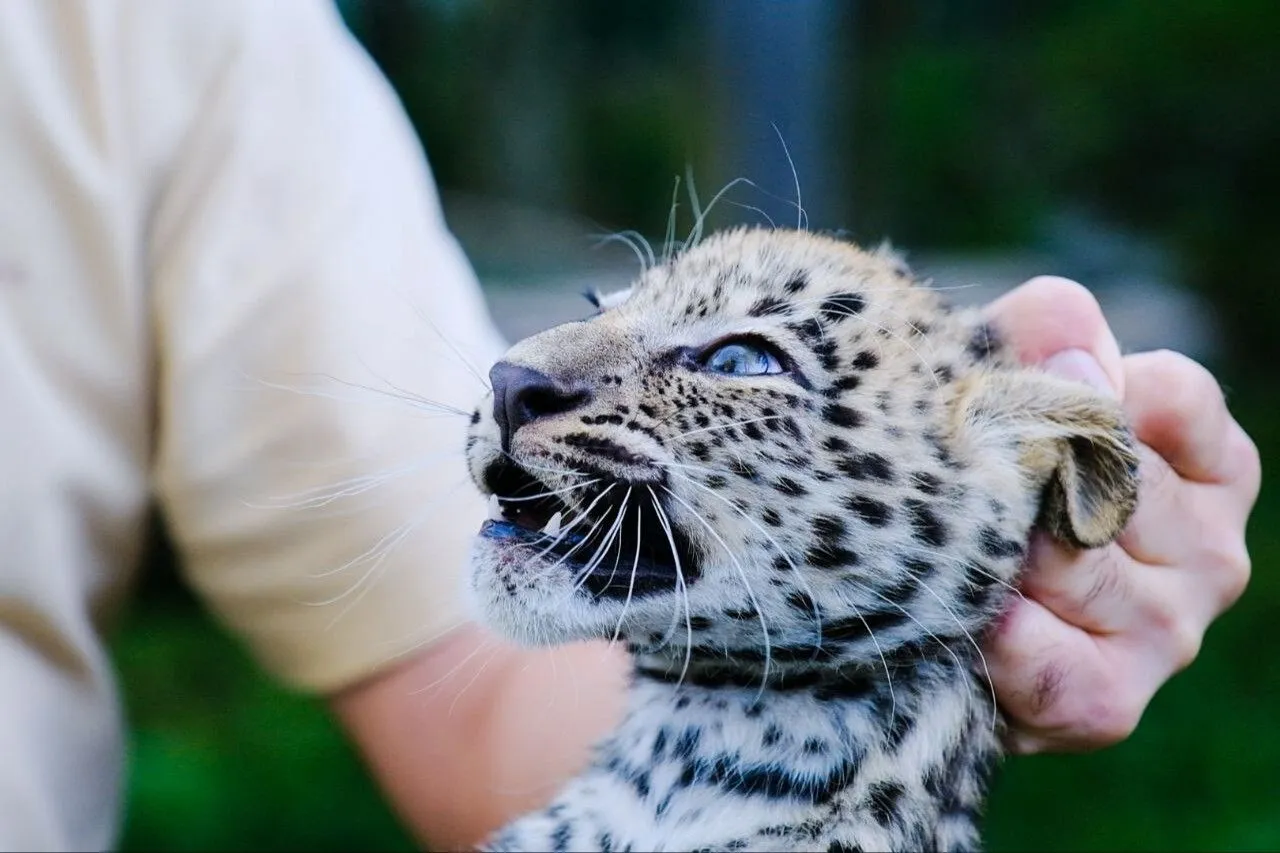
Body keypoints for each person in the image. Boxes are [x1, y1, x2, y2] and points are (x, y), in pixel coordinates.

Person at [0, 1, 1258, 851]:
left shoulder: (174, 34)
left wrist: (901, 644)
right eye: (604, 317)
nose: (531, 370)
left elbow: (466, 700)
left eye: (735, 360)